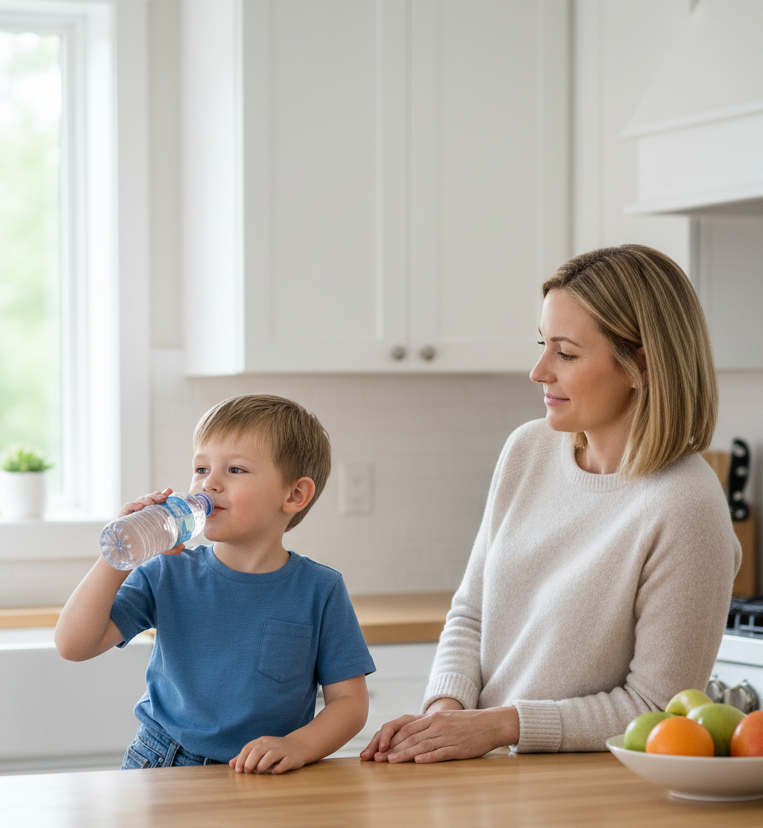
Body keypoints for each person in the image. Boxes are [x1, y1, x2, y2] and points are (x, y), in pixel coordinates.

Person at [361, 244, 740, 764]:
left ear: (642, 365)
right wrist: (446, 713)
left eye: (565, 352)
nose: (539, 371)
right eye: (542, 344)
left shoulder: (686, 505)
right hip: (486, 770)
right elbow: (472, 613)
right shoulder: (528, 449)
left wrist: (501, 726)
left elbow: (654, 707)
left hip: (586, 797)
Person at [56, 394, 375, 774]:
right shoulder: (166, 572)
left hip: (264, 772)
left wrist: (298, 746)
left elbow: (349, 702)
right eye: (201, 468)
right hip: (162, 763)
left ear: (294, 495)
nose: (210, 484)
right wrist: (118, 557)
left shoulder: (320, 589)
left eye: (235, 470)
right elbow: (73, 644)